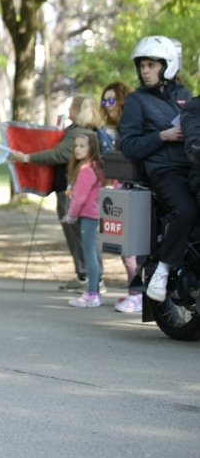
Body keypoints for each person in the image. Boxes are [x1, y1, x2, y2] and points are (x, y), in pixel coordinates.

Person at [118, 36, 194, 302]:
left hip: (192, 166)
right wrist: (163, 136)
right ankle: (163, 269)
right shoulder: (136, 101)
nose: (145, 71)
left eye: (151, 65)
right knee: (186, 209)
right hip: (164, 171)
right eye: (143, 66)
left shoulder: (184, 96)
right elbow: (127, 145)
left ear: (167, 66)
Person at [8, 95, 105, 294]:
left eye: (71, 107)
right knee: (80, 235)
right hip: (73, 188)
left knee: (80, 235)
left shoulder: (79, 134)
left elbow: (57, 154)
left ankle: (92, 279)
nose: (69, 110)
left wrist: (26, 157)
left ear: (78, 109)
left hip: (71, 189)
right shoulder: (91, 132)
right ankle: (84, 275)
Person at [101, 81, 141, 313]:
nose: (107, 105)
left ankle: (137, 295)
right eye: (104, 101)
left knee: (130, 249)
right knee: (126, 248)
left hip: (132, 192)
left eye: (111, 100)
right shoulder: (117, 128)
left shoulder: (129, 126)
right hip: (123, 191)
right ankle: (133, 292)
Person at [61, 132, 105, 307]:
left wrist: (71, 216)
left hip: (89, 215)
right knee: (91, 252)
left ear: (92, 148)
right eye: (76, 146)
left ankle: (92, 294)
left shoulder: (86, 169)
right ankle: (94, 292)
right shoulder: (96, 167)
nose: (77, 149)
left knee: (89, 254)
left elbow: (79, 197)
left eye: (82, 146)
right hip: (94, 214)